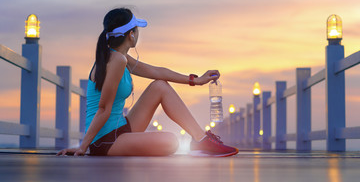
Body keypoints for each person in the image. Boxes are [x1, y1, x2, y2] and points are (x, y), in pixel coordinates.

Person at [56, 8, 238, 157]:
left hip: (121, 128)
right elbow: (103, 109)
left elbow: (157, 72)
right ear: (131, 35)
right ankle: (200, 142)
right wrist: (83, 146)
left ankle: (200, 139)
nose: (138, 33)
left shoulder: (120, 57)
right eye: (136, 30)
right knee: (171, 141)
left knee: (160, 85)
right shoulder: (117, 61)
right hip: (105, 140)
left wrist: (196, 80)